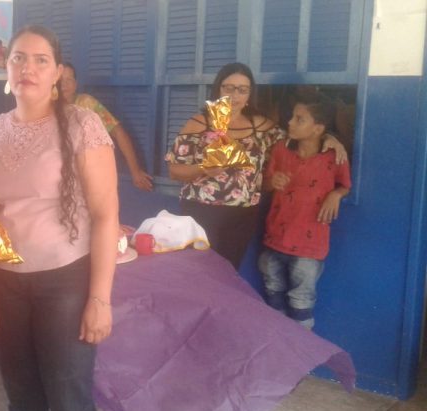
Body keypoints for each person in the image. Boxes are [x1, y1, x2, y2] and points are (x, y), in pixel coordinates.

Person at [0, 25, 118, 411]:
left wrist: (100, 299)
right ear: (6, 67)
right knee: (23, 402)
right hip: (5, 283)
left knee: (70, 404)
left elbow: (106, 215)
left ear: (57, 72)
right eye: (18, 58)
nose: (28, 68)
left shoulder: (81, 124)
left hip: (65, 282)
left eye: (41, 60)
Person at [165, 62, 347, 269]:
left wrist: (328, 138)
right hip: (201, 211)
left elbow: (300, 136)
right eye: (229, 88)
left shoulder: (261, 127)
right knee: (197, 271)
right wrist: (203, 169)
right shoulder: (198, 124)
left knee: (228, 271)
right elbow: (174, 171)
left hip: (243, 215)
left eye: (242, 90)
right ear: (218, 89)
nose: (235, 95)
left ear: (250, 94)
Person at [258, 93, 351, 329]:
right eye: (292, 116)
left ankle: (300, 351)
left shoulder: (334, 156)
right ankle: (277, 344)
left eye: (299, 119)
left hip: (309, 249)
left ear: (318, 128)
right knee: (273, 296)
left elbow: (345, 184)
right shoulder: (281, 149)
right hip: (274, 240)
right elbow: (265, 183)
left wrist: (336, 194)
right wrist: (272, 182)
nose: (290, 122)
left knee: (301, 303)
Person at [60, 62, 154, 191]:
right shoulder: (44, 107)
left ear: (76, 84)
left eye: (69, 80)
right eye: (60, 80)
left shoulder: (87, 104)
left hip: (85, 178)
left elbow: (118, 132)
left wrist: (135, 171)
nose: (64, 85)